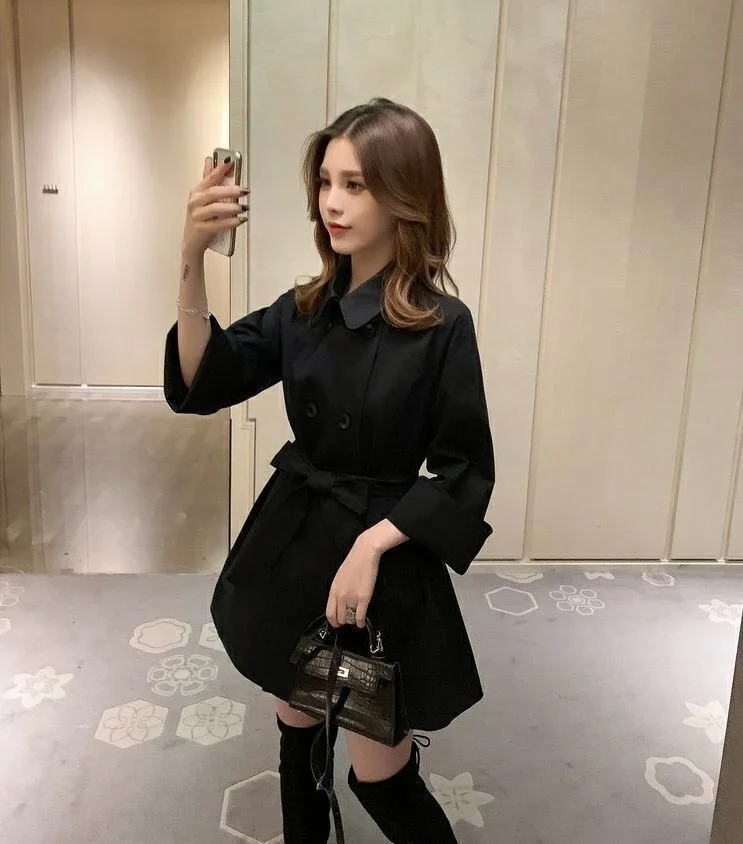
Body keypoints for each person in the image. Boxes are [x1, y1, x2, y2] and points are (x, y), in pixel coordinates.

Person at [164, 97, 495, 843]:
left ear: (404, 194)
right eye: (324, 182)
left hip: (381, 562)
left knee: (381, 774)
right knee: (297, 730)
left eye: (356, 184)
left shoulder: (442, 326)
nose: (332, 203)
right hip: (294, 544)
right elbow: (206, 378)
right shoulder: (303, 308)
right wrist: (190, 259)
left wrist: (373, 544)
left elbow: (464, 469)